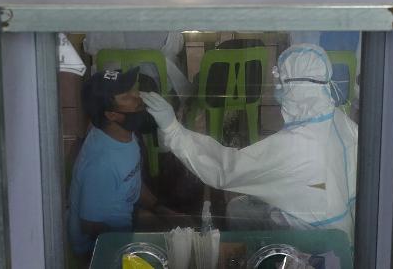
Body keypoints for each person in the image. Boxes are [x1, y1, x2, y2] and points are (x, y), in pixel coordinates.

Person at [142, 44, 358, 237]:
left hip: (310, 237)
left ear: (295, 87)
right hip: (342, 228)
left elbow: (225, 170)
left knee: (237, 209)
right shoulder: (342, 121)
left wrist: (173, 130)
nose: (277, 88)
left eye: (281, 82)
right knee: (242, 207)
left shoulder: (295, 144)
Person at [69, 68, 176, 257]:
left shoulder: (123, 134)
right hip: (98, 245)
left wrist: (160, 209)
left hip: (126, 218)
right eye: (127, 96)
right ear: (111, 115)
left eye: (133, 89)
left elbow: (130, 180)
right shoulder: (100, 164)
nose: (138, 96)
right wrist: (133, 242)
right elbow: (89, 226)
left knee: (177, 230)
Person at [82, 32, 191, 99]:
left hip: (111, 88)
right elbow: (176, 46)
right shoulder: (161, 12)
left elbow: (90, 46)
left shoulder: (103, 11)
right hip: (158, 88)